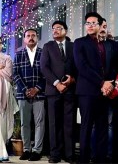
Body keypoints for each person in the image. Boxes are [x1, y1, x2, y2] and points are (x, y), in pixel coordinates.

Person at [73, 12, 114, 163]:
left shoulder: (104, 44)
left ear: (100, 25)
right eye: (87, 23)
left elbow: (108, 67)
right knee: (86, 127)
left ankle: (100, 159)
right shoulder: (79, 42)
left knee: (103, 127)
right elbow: (82, 67)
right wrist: (102, 83)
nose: (90, 26)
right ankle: (83, 159)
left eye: (93, 23)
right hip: (87, 92)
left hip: (104, 92)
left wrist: (109, 84)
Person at [40, 21, 77, 163]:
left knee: (69, 123)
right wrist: (57, 83)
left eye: (59, 28)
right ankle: (54, 154)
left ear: (65, 31)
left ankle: (69, 154)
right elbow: (44, 67)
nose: (55, 31)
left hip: (70, 90)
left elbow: (78, 65)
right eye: (53, 29)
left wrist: (72, 79)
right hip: (53, 90)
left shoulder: (73, 46)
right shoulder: (47, 46)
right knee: (54, 123)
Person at [13, 29, 45, 161]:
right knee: (24, 123)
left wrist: (37, 88)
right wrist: (26, 89)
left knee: (39, 123)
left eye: (33, 35)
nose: (31, 38)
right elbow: (15, 74)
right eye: (28, 36)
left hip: (40, 93)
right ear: (24, 39)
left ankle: (37, 151)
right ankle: (26, 149)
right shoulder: (19, 54)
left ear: (37, 37)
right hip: (23, 94)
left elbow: (47, 73)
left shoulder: (44, 53)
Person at [97, 18, 118, 163]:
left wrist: (114, 85)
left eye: (105, 26)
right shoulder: (89, 46)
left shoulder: (115, 45)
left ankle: (112, 155)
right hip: (95, 92)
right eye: (101, 26)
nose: (103, 29)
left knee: (112, 124)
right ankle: (96, 155)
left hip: (113, 93)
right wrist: (101, 85)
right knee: (96, 125)